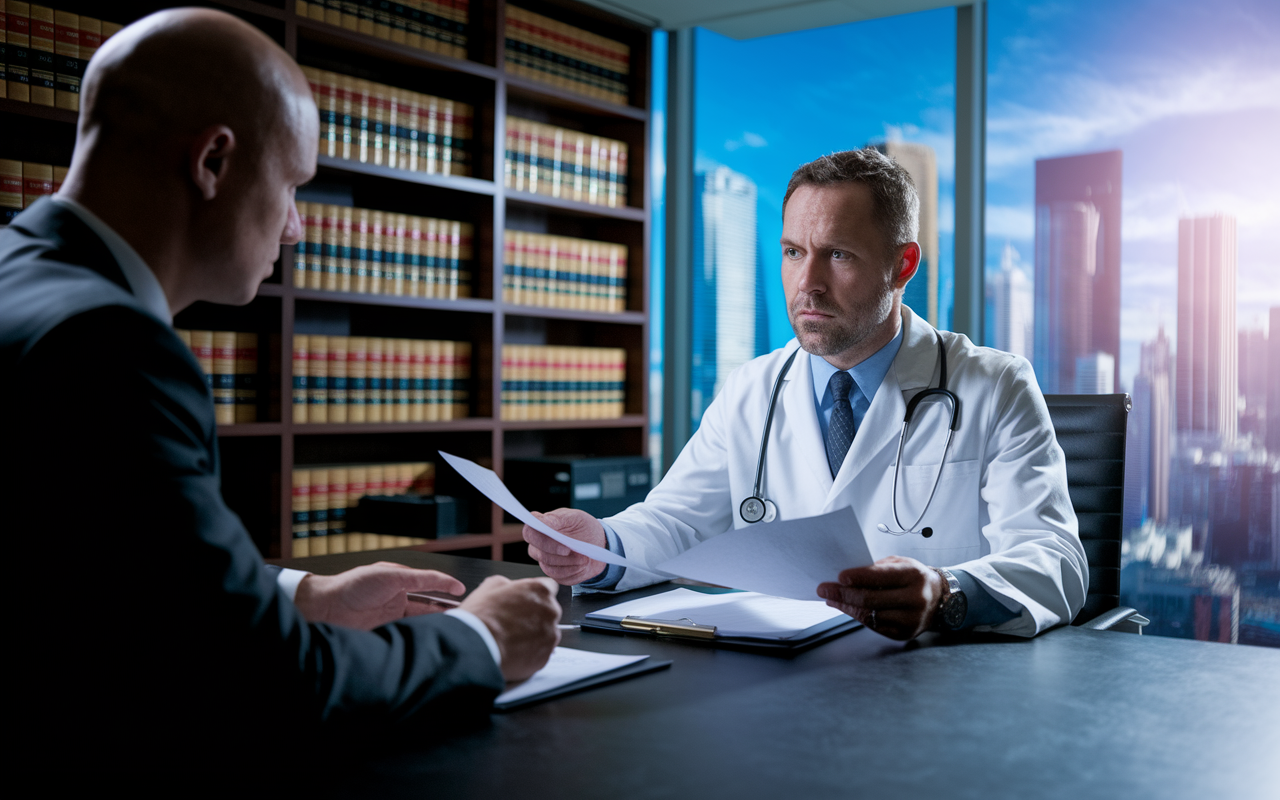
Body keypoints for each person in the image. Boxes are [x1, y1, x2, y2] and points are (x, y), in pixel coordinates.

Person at [0, 8, 560, 778]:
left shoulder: (22, 285)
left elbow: (89, 570)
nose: (296, 228)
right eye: (292, 184)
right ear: (214, 163)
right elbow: (266, 694)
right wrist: (484, 638)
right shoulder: (110, 345)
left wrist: (305, 596)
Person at [524, 148, 1087, 641]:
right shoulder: (753, 388)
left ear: (902, 265)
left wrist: (945, 593)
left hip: (932, 690)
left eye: (838, 254)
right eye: (794, 252)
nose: (807, 283)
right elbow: (678, 524)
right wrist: (599, 544)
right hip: (776, 684)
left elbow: (1055, 562)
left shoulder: (995, 385)